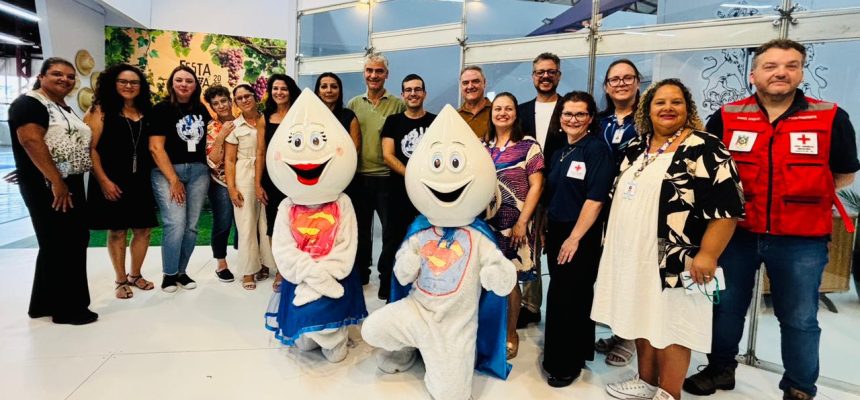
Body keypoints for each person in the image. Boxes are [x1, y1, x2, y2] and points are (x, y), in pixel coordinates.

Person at [684, 39, 859, 400]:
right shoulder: (728, 116)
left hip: (800, 238)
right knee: (726, 307)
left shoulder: (830, 116)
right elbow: (711, 173)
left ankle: (799, 387)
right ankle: (720, 369)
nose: (781, 72)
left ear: (801, 72)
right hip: (737, 233)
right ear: (754, 75)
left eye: (791, 65)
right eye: (771, 66)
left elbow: (844, 175)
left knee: (799, 317)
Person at [594, 79, 744, 400]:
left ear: (688, 108)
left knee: (674, 323)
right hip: (632, 253)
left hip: (677, 256)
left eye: (676, 102)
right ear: (647, 110)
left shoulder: (705, 146)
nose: (668, 108)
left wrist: (708, 254)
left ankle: (669, 391)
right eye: (659, 102)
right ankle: (647, 381)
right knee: (641, 313)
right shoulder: (636, 147)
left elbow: (727, 209)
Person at [8, 57, 97, 324]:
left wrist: (34, 170)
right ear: (42, 76)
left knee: (61, 241)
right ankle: (68, 309)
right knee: (63, 243)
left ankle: (43, 303)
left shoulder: (61, 106)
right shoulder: (29, 103)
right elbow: (30, 140)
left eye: (70, 76)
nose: (65, 80)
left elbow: (54, 141)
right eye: (57, 74)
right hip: (52, 185)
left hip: (66, 180)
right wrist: (55, 180)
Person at [539, 91, 612, 387]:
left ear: (590, 118)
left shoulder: (596, 150)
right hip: (557, 231)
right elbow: (554, 195)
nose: (573, 119)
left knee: (566, 297)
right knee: (568, 296)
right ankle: (577, 352)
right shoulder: (560, 152)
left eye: (580, 114)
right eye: (568, 113)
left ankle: (563, 364)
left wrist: (574, 238)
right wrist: (545, 227)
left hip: (580, 234)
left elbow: (595, 199)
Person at [85, 63, 158, 299]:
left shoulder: (146, 111)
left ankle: (135, 275)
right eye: (123, 81)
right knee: (117, 231)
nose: (129, 86)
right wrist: (103, 181)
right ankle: (120, 279)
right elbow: (90, 149)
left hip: (140, 180)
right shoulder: (100, 110)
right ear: (113, 83)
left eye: (134, 82)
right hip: (111, 179)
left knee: (143, 229)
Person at [484, 92, 544, 360]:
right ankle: (489, 332)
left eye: (508, 108)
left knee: (509, 280)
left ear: (516, 113)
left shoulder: (528, 146)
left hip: (515, 225)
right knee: (486, 279)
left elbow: (537, 186)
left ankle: (510, 334)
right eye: (498, 108)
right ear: (491, 113)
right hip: (486, 225)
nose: (502, 113)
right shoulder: (483, 147)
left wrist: (522, 222)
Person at [593, 58, 644, 367]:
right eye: (615, 79)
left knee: (630, 270)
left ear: (638, 82)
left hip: (634, 206)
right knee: (609, 270)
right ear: (606, 86)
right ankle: (618, 329)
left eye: (628, 78)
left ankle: (630, 337)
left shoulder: (648, 120)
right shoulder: (598, 121)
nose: (621, 83)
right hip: (599, 204)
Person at [149, 65, 211, 293]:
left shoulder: (202, 110)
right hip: (167, 172)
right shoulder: (161, 109)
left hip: (198, 172)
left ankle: (182, 272)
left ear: (195, 85)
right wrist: (173, 179)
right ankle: (169, 273)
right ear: (172, 83)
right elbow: (156, 148)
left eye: (189, 81)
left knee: (191, 226)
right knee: (175, 223)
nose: (184, 84)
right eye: (179, 80)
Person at [346, 53, 406, 286]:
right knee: (360, 230)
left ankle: (385, 277)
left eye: (379, 71)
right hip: (359, 178)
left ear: (386, 74)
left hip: (387, 178)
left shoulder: (398, 104)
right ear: (364, 74)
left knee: (391, 232)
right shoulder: (353, 104)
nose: (374, 75)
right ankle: (361, 274)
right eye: (369, 70)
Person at [516, 52, 563, 330]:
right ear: (533, 76)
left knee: (556, 250)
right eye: (540, 72)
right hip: (529, 190)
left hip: (560, 190)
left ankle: (559, 308)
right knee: (529, 247)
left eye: (551, 72)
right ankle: (530, 306)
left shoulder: (569, 107)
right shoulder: (521, 111)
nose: (545, 76)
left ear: (558, 75)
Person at [378, 74, 436, 301]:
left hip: (428, 194)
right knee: (393, 240)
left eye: (417, 89)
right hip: (397, 193)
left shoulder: (435, 122)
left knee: (426, 239)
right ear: (402, 95)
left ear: (424, 93)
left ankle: (425, 286)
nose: (413, 93)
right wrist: (412, 176)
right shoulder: (393, 122)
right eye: (408, 90)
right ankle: (389, 288)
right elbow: (387, 155)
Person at [224, 84, 275, 290]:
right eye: (239, 98)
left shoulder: (268, 119)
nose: (244, 100)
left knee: (266, 222)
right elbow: (229, 160)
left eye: (248, 96)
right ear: (235, 102)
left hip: (268, 173)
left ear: (256, 97)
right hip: (244, 174)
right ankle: (248, 271)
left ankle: (266, 264)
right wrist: (231, 188)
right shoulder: (235, 127)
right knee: (246, 223)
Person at [257, 73, 301, 291]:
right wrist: (257, 183)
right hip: (272, 179)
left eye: (283, 88)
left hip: (297, 178)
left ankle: (298, 268)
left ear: (290, 91)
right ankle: (282, 272)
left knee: (297, 224)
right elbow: (260, 152)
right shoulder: (265, 118)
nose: (279, 92)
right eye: (275, 88)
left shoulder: (299, 115)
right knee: (275, 226)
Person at [203, 85, 237, 284]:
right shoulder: (212, 127)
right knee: (223, 222)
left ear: (230, 101)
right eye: (216, 103)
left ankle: (251, 259)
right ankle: (221, 263)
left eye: (223, 101)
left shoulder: (242, 122)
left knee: (246, 223)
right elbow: (213, 160)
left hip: (244, 181)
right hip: (221, 182)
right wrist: (222, 135)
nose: (221, 105)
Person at [315, 72, 361, 150]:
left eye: (334, 87)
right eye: (324, 87)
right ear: (318, 92)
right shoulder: (310, 116)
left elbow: (355, 149)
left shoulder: (349, 116)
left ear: (339, 91)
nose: (329, 90)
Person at [457, 66, 492, 139]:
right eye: (465, 83)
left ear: (484, 83)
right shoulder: (454, 116)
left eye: (475, 81)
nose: (470, 86)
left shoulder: (498, 113)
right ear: (461, 86)